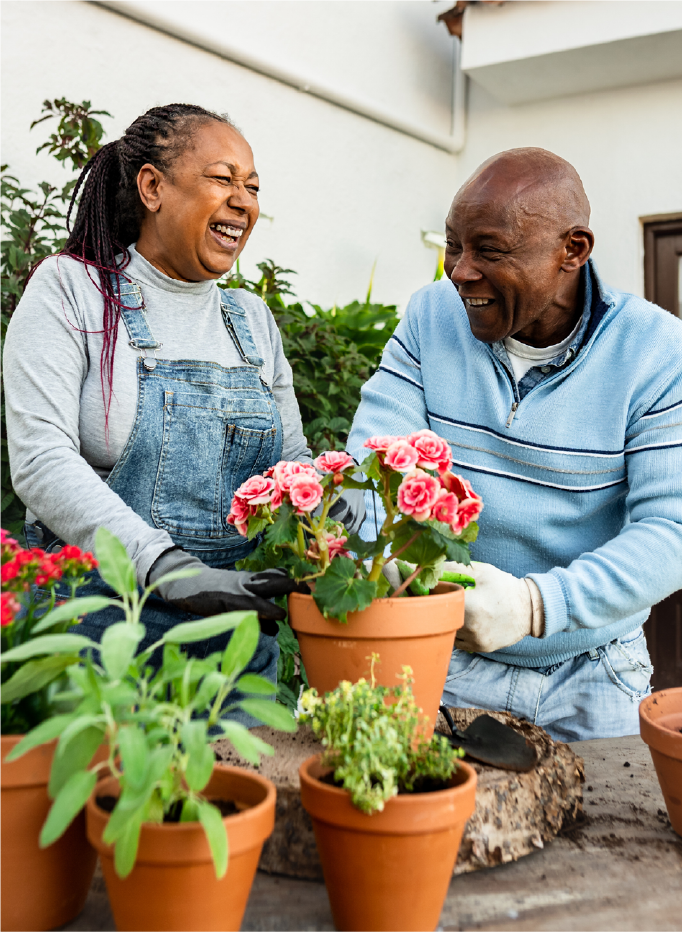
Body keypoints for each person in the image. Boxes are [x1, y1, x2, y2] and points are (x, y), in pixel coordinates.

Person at [4, 103, 362, 695]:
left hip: (236, 644)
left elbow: (288, 458)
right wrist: (166, 568)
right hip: (97, 637)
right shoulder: (72, 290)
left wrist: (331, 501)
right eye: (223, 179)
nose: (244, 201)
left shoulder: (249, 319)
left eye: (252, 186)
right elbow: (41, 460)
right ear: (152, 187)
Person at [348, 147, 682, 741]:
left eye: (490, 250)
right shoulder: (431, 318)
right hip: (444, 655)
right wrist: (392, 564)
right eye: (453, 244)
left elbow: (671, 530)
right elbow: (372, 467)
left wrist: (534, 606)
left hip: (594, 671)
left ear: (572, 251)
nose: (459, 270)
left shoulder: (656, 352)